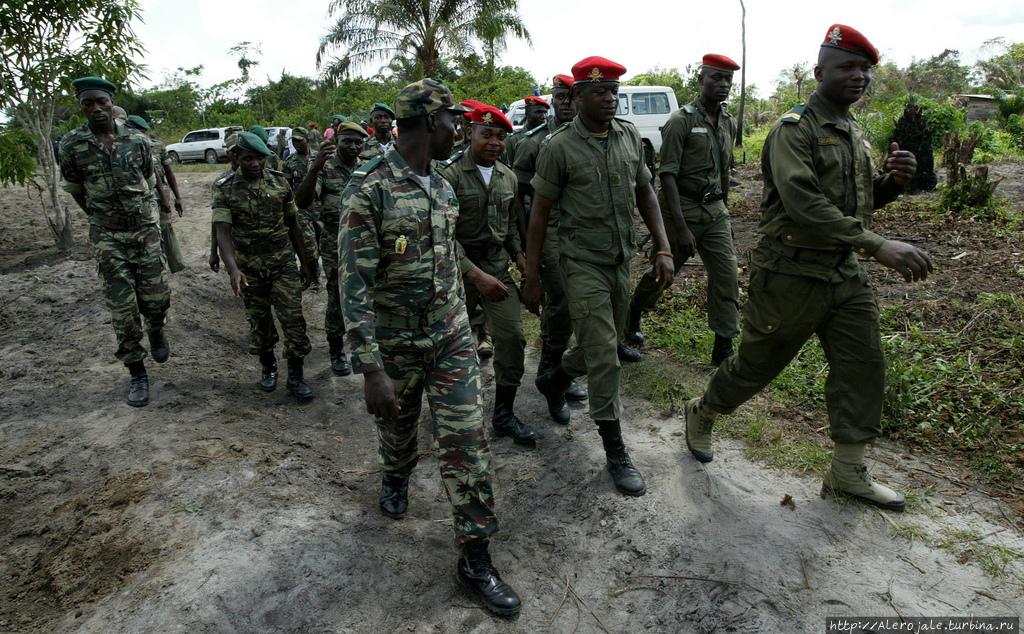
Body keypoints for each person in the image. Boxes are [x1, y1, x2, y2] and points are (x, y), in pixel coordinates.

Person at [683, 25, 932, 513]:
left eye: (865, 69)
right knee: (757, 366)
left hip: (844, 275)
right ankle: (704, 409)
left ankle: (847, 473)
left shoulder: (852, 130)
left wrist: (893, 184)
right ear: (820, 73)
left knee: (863, 366)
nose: (859, 76)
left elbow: (855, 206)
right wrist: (878, 245)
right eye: (847, 67)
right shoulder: (792, 129)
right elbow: (804, 205)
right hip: (792, 275)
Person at [339, 78, 521, 616]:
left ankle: (475, 556)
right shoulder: (368, 187)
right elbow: (352, 283)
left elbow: (443, 245)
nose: (460, 131)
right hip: (395, 343)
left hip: (451, 335)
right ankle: (395, 473)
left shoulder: (440, 185)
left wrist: (477, 275)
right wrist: (371, 369)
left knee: (467, 439)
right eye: (454, 122)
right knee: (397, 432)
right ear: (426, 122)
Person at [523, 57, 675, 497]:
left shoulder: (628, 135)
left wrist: (662, 246)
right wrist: (532, 277)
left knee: (603, 345)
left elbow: (645, 190)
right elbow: (539, 214)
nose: (609, 99)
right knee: (606, 355)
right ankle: (616, 451)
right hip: (580, 262)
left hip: (620, 260)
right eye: (599, 92)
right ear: (577, 97)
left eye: (614, 91)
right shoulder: (559, 147)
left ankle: (553, 377)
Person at [58, 77, 171, 407]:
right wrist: (101, 218)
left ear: (111, 102)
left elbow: (150, 182)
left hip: (143, 230)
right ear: (82, 107)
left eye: (101, 102)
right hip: (107, 235)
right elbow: (77, 191)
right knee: (122, 310)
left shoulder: (137, 140)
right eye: (87, 104)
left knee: (156, 297)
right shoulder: (71, 145)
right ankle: (137, 373)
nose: (95, 109)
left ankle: (156, 327)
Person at [624, 54, 742, 366]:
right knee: (663, 274)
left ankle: (724, 344)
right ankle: (634, 312)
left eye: (728, 79)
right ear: (702, 78)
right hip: (682, 209)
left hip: (714, 210)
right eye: (716, 77)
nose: (723, 85)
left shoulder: (728, 122)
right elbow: (667, 176)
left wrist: (725, 212)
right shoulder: (681, 121)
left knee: (727, 274)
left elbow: (725, 173)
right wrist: (681, 228)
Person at [439, 104, 538, 447]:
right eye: (487, 135)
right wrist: (474, 275)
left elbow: (510, 224)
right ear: (469, 134)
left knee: (512, 338)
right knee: (449, 345)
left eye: (501, 136)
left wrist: (520, 257)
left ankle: (504, 415)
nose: (494, 142)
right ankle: (450, 419)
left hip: (496, 267)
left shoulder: (507, 176)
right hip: (455, 270)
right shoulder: (448, 176)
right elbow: (443, 236)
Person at [212, 132, 315, 403]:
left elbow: (293, 224)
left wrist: (305, 263)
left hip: (281, 262)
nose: (255, 164)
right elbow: (222, 231)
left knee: (292, 317)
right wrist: (233, 269)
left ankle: (296, 376)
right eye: (248, 159)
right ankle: (268, 366)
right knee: (259, 321)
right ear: (237, 158)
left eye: (260, 158)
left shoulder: (280, 183)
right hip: (248, 267)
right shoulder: (224, 188)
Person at [512, 74, 587, 403]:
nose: (566, 103)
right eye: (560, 97)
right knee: (561, 302)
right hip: (551, 230)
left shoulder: (589, 136)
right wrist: (530, 247)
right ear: (552, 100)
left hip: (585, 230)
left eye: (571, 97)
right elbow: (519, 196)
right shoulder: (534, 142)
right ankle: (551, 373)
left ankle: (557, 371)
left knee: (579, 304)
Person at [295, 121, 369, 377]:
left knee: (367, 296)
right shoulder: (324, 168)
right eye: (347, 140)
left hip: (365, 244)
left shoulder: (367, 169)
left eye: (358, 142)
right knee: (338, 296)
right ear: (337, 141)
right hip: (335, 244)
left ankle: (365, 346)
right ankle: (337, 350)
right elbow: (302, 202)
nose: (352, 146)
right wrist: (314, 167)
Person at [126, 115, 187, 273]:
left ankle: (172, 264)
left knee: (165, 228)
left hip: (160, 196)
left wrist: (176, 197)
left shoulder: (157, 146)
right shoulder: (123, 147)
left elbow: (168, 173)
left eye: (143, 132)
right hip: (139, 197)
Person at [282, 125, 323, 291]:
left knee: (322, 242)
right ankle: (314, 276)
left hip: (320, 209)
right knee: (308, 243)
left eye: (300, 140)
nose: (297, 144)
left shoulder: (318, 157)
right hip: (301, 209)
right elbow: (286, 188)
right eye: (294, 141)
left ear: (308, 140)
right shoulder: (289, 162)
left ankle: (318, 268)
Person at [503, 95, 548, 168]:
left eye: (545, 113)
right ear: (527, 115)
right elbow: (507, 167)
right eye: (538, 112)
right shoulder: (513, 140)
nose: (543, 116)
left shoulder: (548, 136)